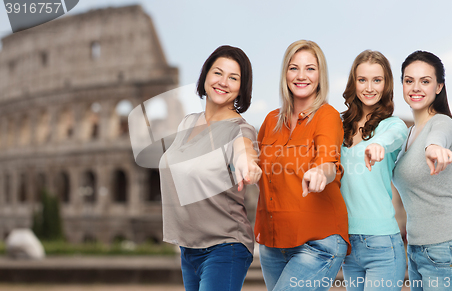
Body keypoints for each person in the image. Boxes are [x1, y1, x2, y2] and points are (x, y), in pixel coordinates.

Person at [159, 45, 261, 291]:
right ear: (205, 76)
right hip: (188, 249)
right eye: (218, 73)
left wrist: (247, 164)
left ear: (241, 88)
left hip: (225, 246)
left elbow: (244, 150)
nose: (223, 82)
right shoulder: (187, 123)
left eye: (233, 77)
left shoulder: (239, 130)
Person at [254, 40, 349, 291]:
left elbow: (329, 160)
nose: (301, 76)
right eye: (294, 68)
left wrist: (320, 171)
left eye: (310, 68)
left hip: (318, 242)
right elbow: (255, 165)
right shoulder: (271, 120)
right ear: (285, 73)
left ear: (320, 75)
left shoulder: (326, 116)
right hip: (273, 243)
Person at [393, 50, 452, 291]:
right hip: (418, 250)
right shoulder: (408, 135)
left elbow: (438, 138)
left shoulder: (442, 123)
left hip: (445, 249)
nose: (416, 87)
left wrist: (434, 147)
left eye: (425, 81)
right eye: (409, 80)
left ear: (439, 87)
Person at [340, 50, 408, 291]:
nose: (369, 88)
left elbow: (394, 137)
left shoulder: (393, 125)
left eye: (376, 80)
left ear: (386, 84)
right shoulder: (338, 126)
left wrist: (378, 144)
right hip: (347, 243)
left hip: (382, 245)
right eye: (362, 80)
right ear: (353, 83)